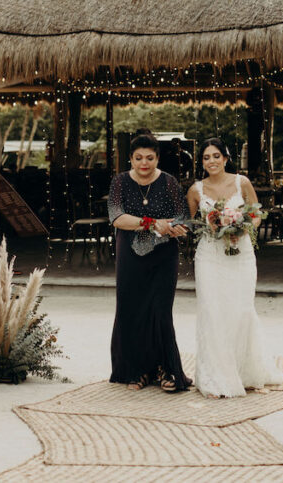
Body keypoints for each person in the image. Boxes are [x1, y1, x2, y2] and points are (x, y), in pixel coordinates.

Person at [187, 138, 283, 398]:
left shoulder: (242, 182)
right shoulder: (196, 189)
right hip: (209, 255)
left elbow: (258, 213)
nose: (212, 161)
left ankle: (244, 371)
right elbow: (192, 224)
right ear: (202, 162)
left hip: (240, 253)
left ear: (226, 158)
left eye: (216, 156)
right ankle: (214, 377)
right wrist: (212, 226)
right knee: (212, 311)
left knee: (240, 310)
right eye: (206, 157)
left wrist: (243, 225)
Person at [108, 134, 191, 392]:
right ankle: (138, 369)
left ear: (157, 158)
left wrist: (177, 227)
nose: (144, 163)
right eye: (139, 158)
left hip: (163, 254)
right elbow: (117, 217)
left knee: (160, 311)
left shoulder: (169, 182)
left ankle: (166, 369)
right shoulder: (120, 182)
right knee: (132, 309)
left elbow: (183, 217)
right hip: (129, 255)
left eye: (150, 158)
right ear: (130, 159)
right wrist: (152, 222)